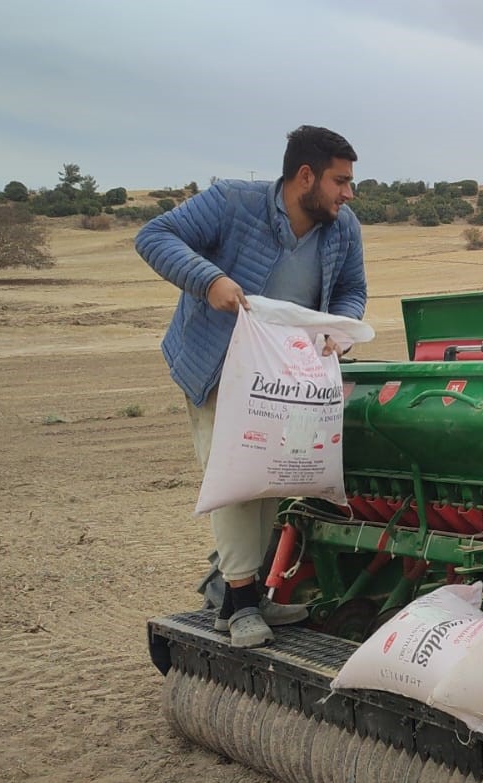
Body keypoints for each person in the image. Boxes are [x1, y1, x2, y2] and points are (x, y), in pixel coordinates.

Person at [136, 125, 367, 648]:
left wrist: (339, 326)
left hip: (288, 375)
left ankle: (246, 598)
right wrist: (209, 280)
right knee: (236, 479)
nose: (348, 193)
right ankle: (239, 604)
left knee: (272, 479)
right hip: (219, 366)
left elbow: (352, 290)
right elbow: (153, 236)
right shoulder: (232, 202)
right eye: (340, 181)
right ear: (304, 175)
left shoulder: (343, 228)